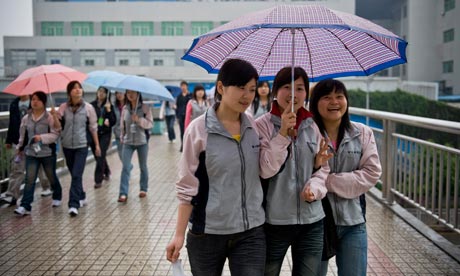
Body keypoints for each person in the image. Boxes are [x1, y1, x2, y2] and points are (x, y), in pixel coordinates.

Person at [166, 58, 266, 275]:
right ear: (221, 87)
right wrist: (178, 235)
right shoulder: (198, 130)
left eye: (252, 89)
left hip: (250, 232)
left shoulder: (253, 127)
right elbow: (187, 186)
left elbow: (265, 171)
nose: (248, 96)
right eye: (241, 88)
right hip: (207, 233)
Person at [256, 66, 332, 276]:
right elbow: (264, 170)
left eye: (300, 88)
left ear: (306, 94)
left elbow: (323, 170)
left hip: (312, 221)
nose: (293, 94)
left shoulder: (312, 125)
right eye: (287, 87)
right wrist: (281, 134)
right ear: (275, 91)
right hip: (274, 221)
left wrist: (314, 186)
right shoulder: (260, 126)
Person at [309, 79, 382, 276]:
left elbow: (371, 173)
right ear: (315, 103)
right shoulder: (306, 135)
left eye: (339, 96)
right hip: (316, 223)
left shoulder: (363, 133)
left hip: (353, 221)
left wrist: (326, 181)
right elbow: (299, 176)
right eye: (326, 97)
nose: (334, 102)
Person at [55, 80, 100, 217]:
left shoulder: (88, 108)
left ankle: (73, 204)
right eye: (74, 88)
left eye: (79, 88)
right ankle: (82, 195)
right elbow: (58, 127)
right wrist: (54, 115)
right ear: (69, 92)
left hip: (82, 145)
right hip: (67, 146)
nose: (78, 90)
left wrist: (97, 145)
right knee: (75, 174)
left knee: (76, 174)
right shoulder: (63, 107)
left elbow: (93, 128)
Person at [14, 91, 62, 216]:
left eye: (38, 99)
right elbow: (22, 136)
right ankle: (25, 205)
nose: (34, 102)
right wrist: (20, 148)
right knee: (29, 179)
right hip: (31, 153)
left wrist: (41, 137)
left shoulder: (49, 117)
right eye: (33, 99)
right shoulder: (26, 118)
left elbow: (56, 134)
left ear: (43, 102)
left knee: (51, 176)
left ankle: (57, 195)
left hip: (47, 153)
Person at [1, 95, 51, 207]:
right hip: (18, 141)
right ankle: (12, 194)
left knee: (40, 165)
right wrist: (9, 140)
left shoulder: (35, 101)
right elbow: (11, 123)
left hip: (34, 140)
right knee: (16, 167)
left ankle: (46, 186)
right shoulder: (14, 103)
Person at [118, 90, 152, 202]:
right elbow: (122, 125)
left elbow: (150, 124)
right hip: (128, 143)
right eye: (128, 93)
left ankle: (143, 188)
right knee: (125, 167)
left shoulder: (145, 108)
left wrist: (139, 120)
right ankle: (123, 193)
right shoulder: (125, 109)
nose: (130, 95)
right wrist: (122, 137)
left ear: (138, 94)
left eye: (133, 93)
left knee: (143, 166)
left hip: (142, 141)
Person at [90, 87, 116, 189]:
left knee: (100, 155)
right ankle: (106, 170)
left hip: (105, 134)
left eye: (103, 92)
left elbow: (113, 121)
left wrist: (109, 111)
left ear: (107, 94)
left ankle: (98, 180)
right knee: (98, 155)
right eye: (99, 91)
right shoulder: (91, 105)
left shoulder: (109, 106)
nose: (101, 94)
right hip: (94, 133)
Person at [175, 80, 191, 152]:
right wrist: (177, 116)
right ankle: (183, 145)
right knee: (182, 132)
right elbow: (177, 107)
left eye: (184, 86)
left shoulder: (191, 95)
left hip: (189, 117)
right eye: (182, 86)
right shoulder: (179, 97)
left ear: (187, 86)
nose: (183, 87)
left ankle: (190, 146)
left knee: (189, 131)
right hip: (181, 116)